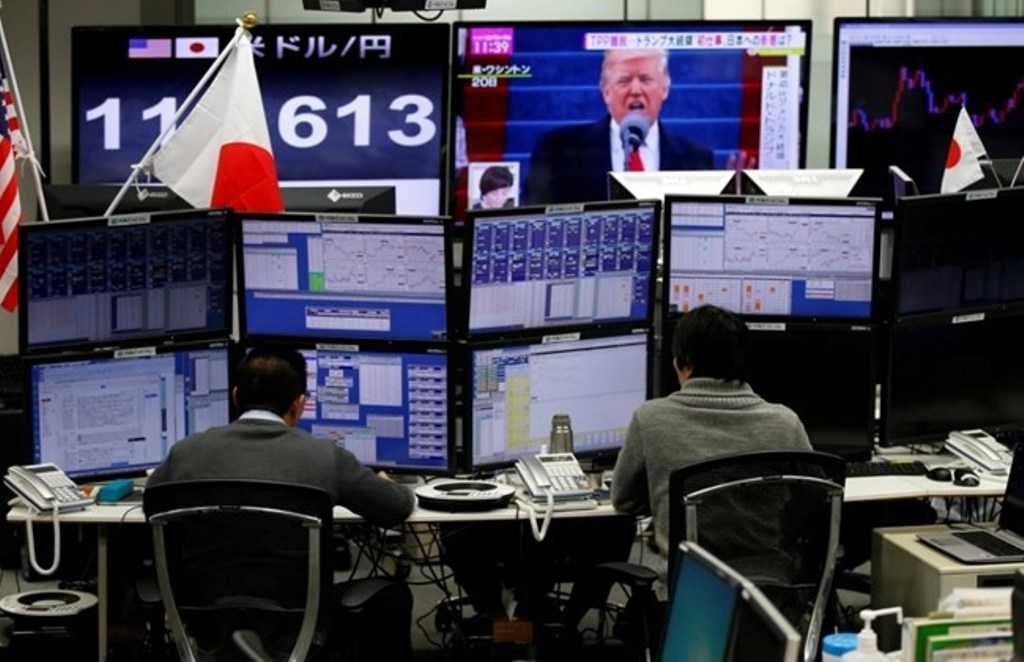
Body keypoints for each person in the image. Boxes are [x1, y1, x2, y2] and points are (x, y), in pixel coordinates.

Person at [147, 346, 417, 661]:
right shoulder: (323, 456)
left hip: (204, 628)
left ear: (235, 396)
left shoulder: (185, 453)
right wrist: (385, 484)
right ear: (299, 404)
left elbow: (152, 508)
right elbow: (395, 509)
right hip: (297, 631)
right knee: (392, 597)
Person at [611, 304, 812, 593]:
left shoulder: (651, 419)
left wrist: (665, 497)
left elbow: (624, 501)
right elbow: (815, 499)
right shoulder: (785, 423)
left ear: (684, 363)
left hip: (687, 596)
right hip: (771, 593)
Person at [523, 48, 714, 205]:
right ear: (606, 91)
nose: (636, 90)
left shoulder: (697, 160)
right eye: (624, 80)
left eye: (646, 79)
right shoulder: (557, 151)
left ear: (665, 88)